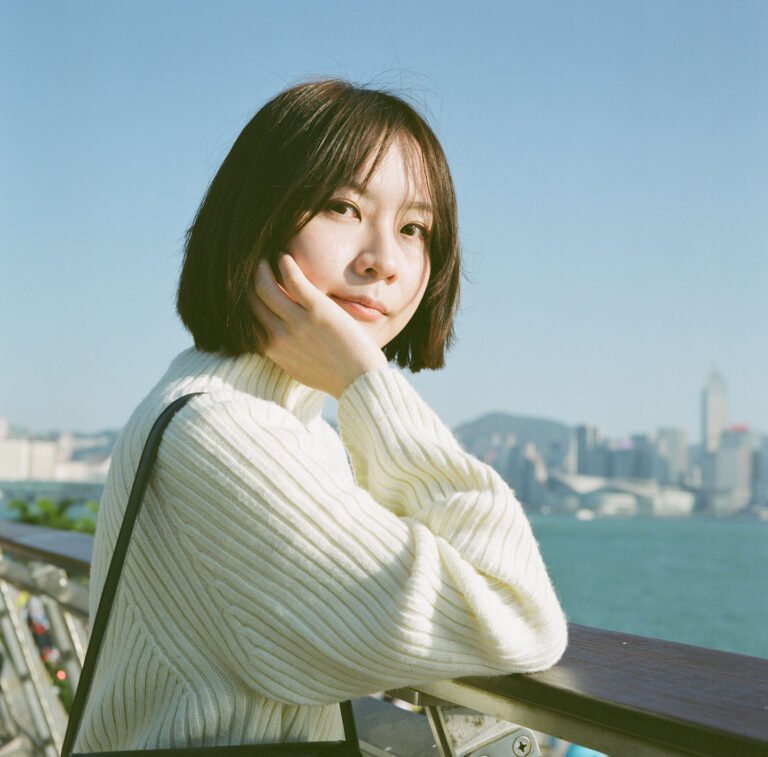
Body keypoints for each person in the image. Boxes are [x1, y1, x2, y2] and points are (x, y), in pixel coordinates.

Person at [79, 79, 568, 750]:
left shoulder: (253, 415)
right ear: (256, 219)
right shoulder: (228, 436)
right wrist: (364, 379)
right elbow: (515, 612)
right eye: (341, 207)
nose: (384, 260)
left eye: (413, 228)